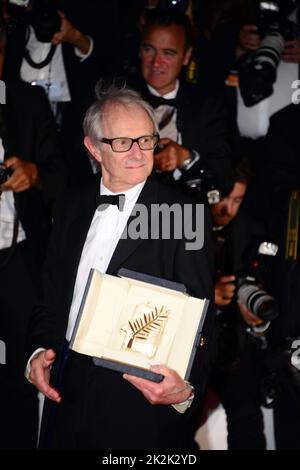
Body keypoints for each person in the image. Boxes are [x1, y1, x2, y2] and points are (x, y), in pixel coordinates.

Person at [26, 81, 214, 450]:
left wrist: (186, 390)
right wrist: (36, 352)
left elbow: (202, 318)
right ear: (93, 147)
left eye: (146, 140)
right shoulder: (71, 206)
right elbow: (50, 294)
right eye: (122, 142)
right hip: (65, 394)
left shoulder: (183, 213)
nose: (139, 153)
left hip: (137, 404)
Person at [0, 12, 67, 449]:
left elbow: (67, 182)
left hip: (17, 259)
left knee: (23, 379)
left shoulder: (26, 102)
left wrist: (34, 173)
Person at [126, 7, 234, 201]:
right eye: (149, 49)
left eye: (168, 53)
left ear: (186, 56)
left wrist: (185, 158)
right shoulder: (118, 100)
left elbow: (222, 185)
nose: (156, 62)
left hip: (184, 221)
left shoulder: (208, 107)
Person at [208, 160, 269, 449]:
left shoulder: (249, 230)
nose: (227, 208)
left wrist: (256, 317)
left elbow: (259, 282)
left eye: (237, 200)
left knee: (247, 412)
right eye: (223, 196)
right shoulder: (178, 222)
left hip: (232, 343)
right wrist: (208, 293)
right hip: (186, 344)